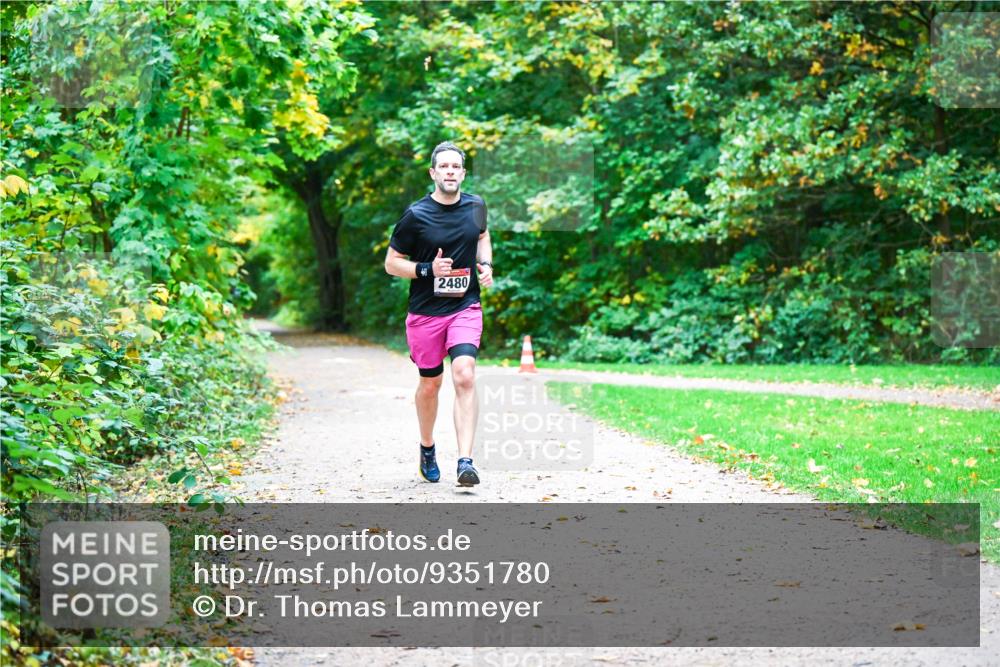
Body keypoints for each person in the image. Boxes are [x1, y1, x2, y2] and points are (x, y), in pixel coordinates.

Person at [384, 141, 493, 487]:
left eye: (455, 167)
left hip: (464, 306)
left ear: (462, 172)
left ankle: (465, 462)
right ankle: (427, 447)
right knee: (430, 384)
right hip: (425, 313)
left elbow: (483, 236)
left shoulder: (476, 205)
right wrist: (428, 270)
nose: (449, 172)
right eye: (443, 167)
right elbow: (391, 264)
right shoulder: (415, 215)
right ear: (433, 173)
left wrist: (485, 263)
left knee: (464, 374)